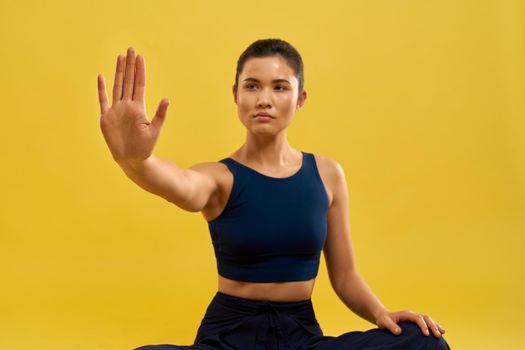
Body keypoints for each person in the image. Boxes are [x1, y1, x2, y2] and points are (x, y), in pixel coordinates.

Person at [97, 38, 451, 350]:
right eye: (252, 86)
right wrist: (137, 159)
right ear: (235, 94)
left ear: (300, 98)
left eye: (280, 87)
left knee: (424, 342)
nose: (264, 99)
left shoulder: (328, 175)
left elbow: (344, 277)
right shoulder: (219, 177)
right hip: (230, 336)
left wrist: (382, 314)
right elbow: (178, 184)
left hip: (301, 335)